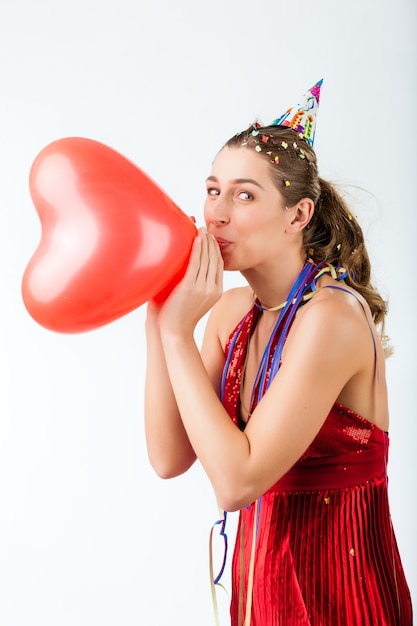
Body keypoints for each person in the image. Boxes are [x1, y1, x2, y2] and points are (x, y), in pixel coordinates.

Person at [144, 81, 413, 625]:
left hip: (343, 594)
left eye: (244, 195)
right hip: (262, 591)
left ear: (298, 215)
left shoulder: (331, 317)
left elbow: (236, 482)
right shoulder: (231, 313)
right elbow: (169, 458)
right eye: (213, 189)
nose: (216, 214)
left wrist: (178, 336)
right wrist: (159, 317)